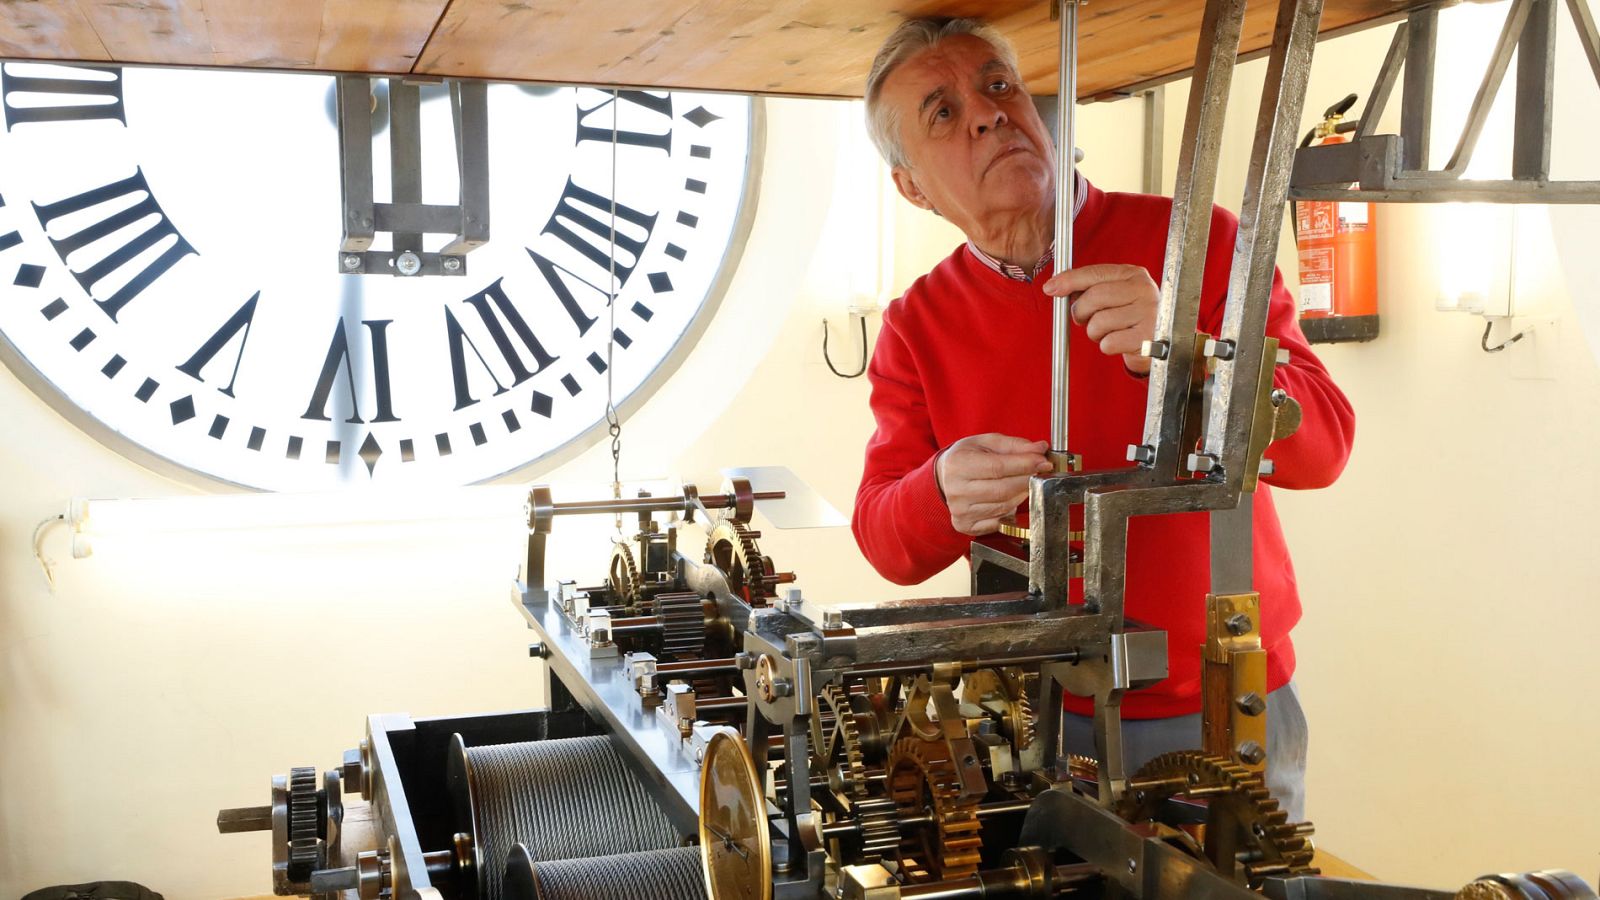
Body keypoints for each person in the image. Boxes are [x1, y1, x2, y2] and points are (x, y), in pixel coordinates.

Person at [850, 17, 1355, 822]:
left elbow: (1324, 442)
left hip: (1223, 708)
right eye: (942, 112)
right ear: (912, 186)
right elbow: (884, 536)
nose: (987, 114)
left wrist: (1187, 354)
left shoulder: (1200, 243)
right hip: (1031, 721)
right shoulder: (916, 323)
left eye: (997, 85)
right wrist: (940, 491)